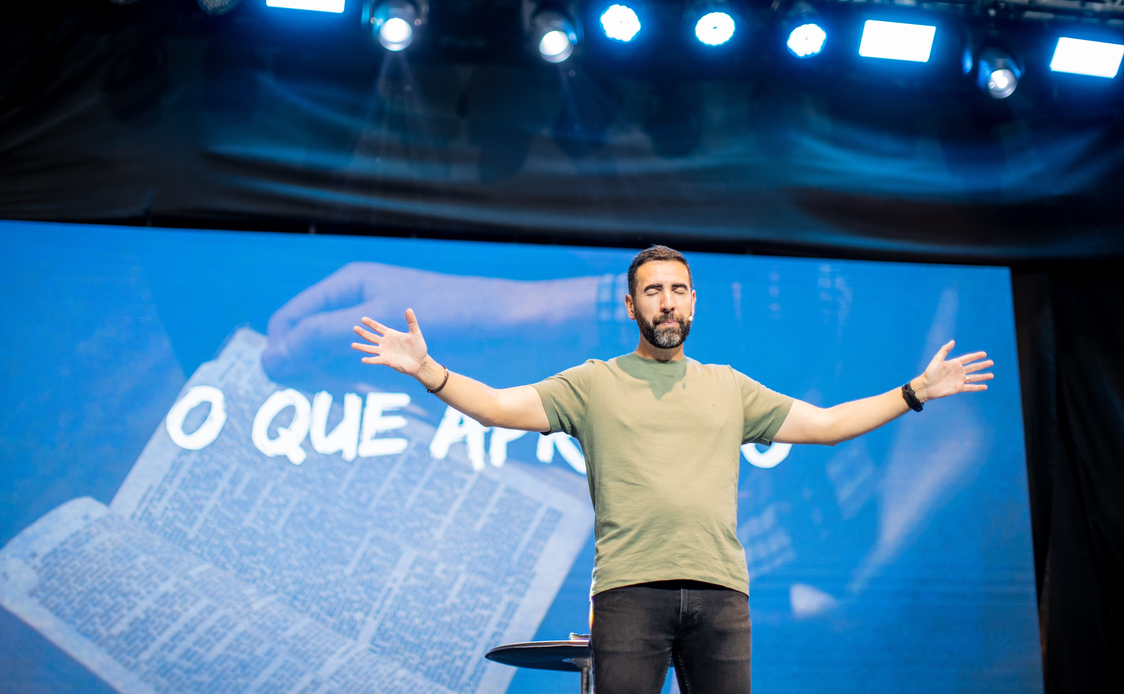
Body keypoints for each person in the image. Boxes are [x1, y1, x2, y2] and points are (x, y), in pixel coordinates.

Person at [349, 245, 994, 694]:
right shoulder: (591, 384)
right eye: (653, 292)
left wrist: (915, 392)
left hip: (721, 598)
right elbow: (494, 408)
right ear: (630, 307)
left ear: (693, 305)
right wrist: (428, 371)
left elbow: (824, 426)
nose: (667, 303)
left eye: (678, 291)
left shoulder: (729, 387)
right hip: (630, 595)